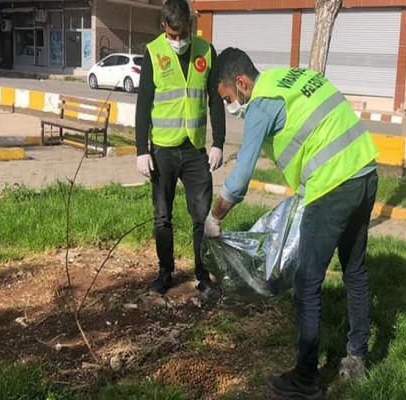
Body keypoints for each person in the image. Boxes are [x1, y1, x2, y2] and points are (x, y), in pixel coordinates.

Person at [204, 48, 380, 399]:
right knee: (355, 270)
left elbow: (239, 179)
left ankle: (305, 378)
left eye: (227, 98)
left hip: (332, 184)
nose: (230, 107)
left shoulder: (262, 102)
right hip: (366, 170)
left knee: (306, 281)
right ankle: (358, 356)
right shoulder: (291, 77)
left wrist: (215, 216)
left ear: (240, 83)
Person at [135, 0, 225, 301]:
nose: (178, 41)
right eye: (172, 35)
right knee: (162, 216)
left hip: (195, 150)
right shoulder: (153, 53)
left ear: (190, 24)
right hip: (162, 149)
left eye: (182, 33)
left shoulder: (206, 51)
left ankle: (202, 275)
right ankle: (165, 272)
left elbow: (215, 99)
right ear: (164, 26)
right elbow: (143, 103)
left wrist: (218, 143)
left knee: (202, 217)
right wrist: (140, 149)